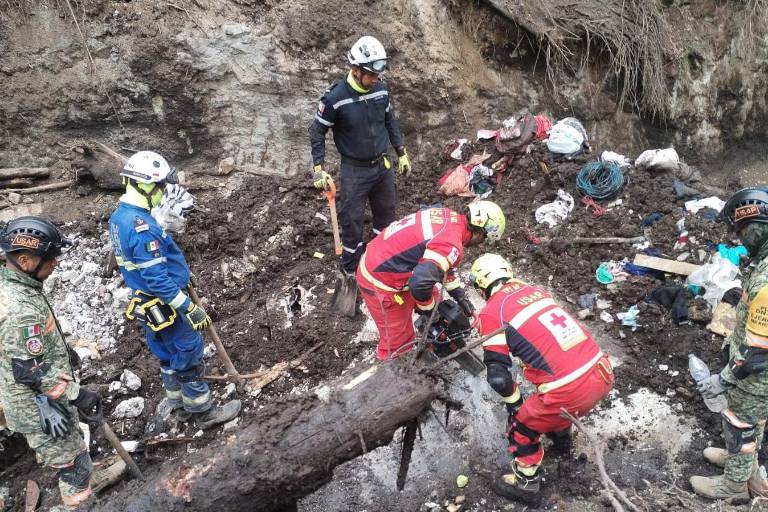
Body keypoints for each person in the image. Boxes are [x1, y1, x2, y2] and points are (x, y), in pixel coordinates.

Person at [109, 151, 241, 430]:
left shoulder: (120, 218)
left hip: (146, 305)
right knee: (188, 352)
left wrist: (180, 271)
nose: (163, 193)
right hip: (166, 303)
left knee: (167, 355)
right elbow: (157, 279)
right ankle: (203, 412)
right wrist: (189, 307)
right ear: (145, 186)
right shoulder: (142, 227)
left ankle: (179, 407)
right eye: (160, 187)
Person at [469, 253, 614, 506]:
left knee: (521, 425)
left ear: (481, 286)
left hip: (569, 391)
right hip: (602, 371)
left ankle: (527, 484)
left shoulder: (493, 311)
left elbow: (499, 378)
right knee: (553, 401)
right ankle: (561, 441)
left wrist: (515, 405)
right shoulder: (536, 292)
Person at [0, 217, 122, 507]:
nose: (56, 263)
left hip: (38, 396)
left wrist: (63, 352)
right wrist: (76, 394)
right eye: (50, 258)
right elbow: (29, 369)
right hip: (39, 407)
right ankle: (79, 501)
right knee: (71, 463)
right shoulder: (19, 309)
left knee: (74, 449)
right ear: (26, 260)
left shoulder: (16, 285)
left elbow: (26, 348)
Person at [308, 35, 410, 288]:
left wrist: (401, 151)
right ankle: (351, 270)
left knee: (386, 215)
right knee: (352, 221)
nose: (375, 80)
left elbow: (390, 122)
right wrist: (318, 168)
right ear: (356, 70)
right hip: (354, 170)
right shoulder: (334, 98)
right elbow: (316, 131)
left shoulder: (381, 90)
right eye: (371, 75)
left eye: (377, 75)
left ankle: (378, 260)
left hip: (382, 166)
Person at [691, 187, 768, 501]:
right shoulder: (762, 264)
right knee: (752, 421)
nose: (737, 236)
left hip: (757, 377)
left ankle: (734, 485)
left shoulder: (765, 281)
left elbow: (760, 353)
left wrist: (722, 379)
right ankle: (745, 466)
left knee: (739, 423)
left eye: (740, 229)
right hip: (755, 376)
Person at [356, 201, 505, 360]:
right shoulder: (450, 243)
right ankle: (392, 373)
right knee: (399, 340)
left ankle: (433, 342)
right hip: (380, 280)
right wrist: (429, 311)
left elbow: (440, 266)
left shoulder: (448, 217)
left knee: (437, 304)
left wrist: (460, 297)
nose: (479, 243)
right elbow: (419, 285)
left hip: (392, 260)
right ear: (480, 232)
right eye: (483, 239)